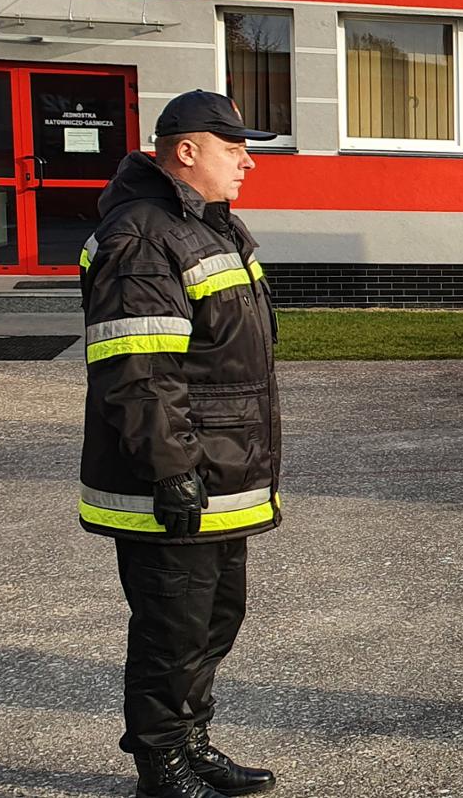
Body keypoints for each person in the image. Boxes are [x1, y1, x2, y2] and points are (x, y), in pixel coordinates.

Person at [80, 89, 282, 798]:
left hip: (221, 471)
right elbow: (138, 369)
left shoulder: (208, 227)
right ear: (187, 152)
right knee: (172, 632)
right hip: (178, 476)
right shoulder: (142, 233)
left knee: (213, 619)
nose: (248, 164)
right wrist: (171, 471)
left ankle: (192, 744)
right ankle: (161, 769)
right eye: (235, 150)